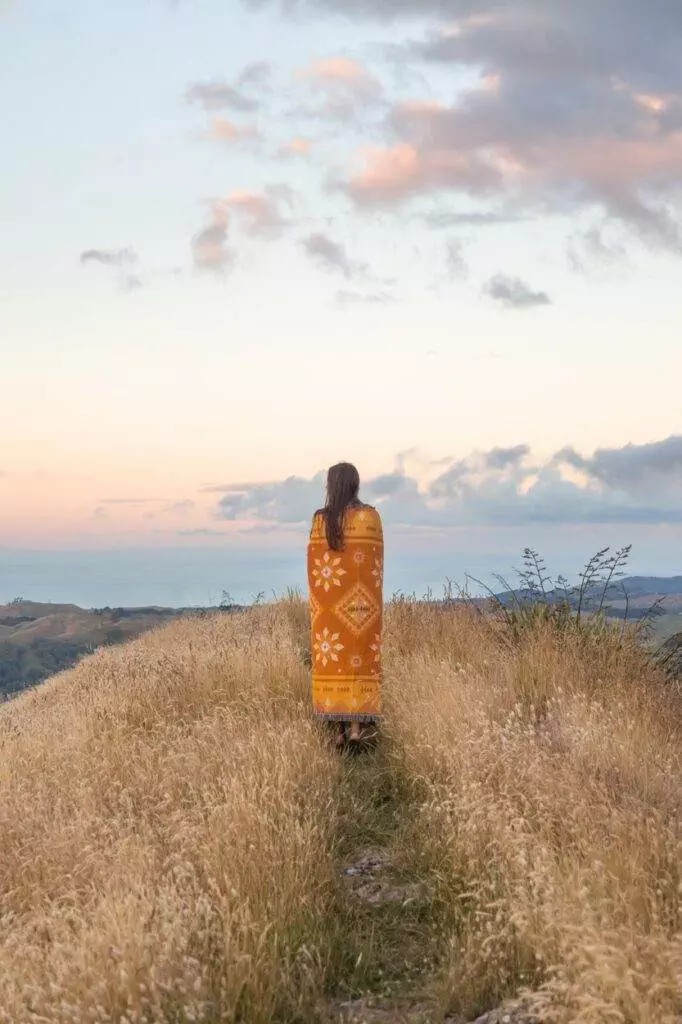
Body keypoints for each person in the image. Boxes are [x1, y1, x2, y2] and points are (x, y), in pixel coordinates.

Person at [307, 462, 384, 746]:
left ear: (330, 486)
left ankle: (338, 733)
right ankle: (356, 729)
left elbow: (315, 567)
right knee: (359, 660)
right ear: (355, 485)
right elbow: (374, 564)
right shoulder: (369, 517)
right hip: (362, 610)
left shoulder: (320, 522)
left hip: (327, 610)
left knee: (333, 662)